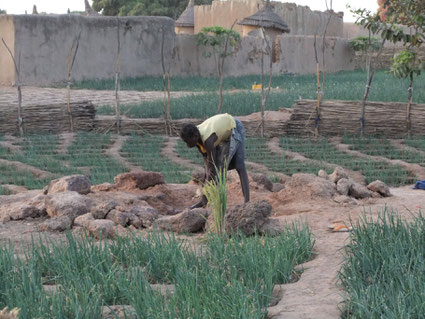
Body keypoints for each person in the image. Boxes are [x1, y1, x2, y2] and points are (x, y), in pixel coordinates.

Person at [180, 113, 250, 208]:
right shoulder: (197, 137)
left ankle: (247, 202)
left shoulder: (208, 141)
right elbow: (207, 163)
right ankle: (204, 202)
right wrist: (207, 176)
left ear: (195, 136)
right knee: (216, 168)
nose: (187, 145)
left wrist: (207, 183)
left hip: (234, 127)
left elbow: (212, 168)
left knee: (239, 165)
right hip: (220, 133)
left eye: (188, 141)